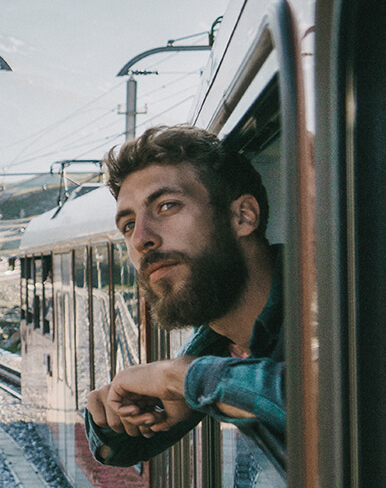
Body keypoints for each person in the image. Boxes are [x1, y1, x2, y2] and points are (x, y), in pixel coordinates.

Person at [83, 125, 286, 467]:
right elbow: (115, 451)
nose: (141, 238)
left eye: (167, 206)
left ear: (243, 216)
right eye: (128, 224)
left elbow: (327, 402)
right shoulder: (219, 339)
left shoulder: (341, 302)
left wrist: (179, 378)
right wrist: (114, 413)